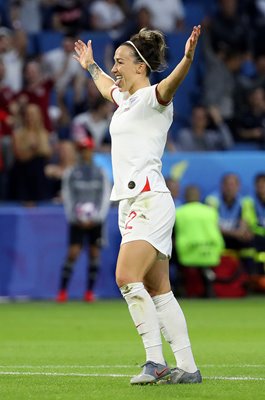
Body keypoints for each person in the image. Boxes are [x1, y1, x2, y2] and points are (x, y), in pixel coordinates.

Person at [73, 25, 202, 385]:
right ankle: (188, 367)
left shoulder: (153, 100)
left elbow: (170, 84)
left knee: (126, 277)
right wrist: (91, 66)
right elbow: (106, 89)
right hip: (130, 203)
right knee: (160, 290)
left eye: (119, 61)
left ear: (140, 67)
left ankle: (154, 361)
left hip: (148, 199)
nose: (114, 68)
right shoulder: (127, 102)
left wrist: (187, 59)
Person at [56, 136, 111, 302]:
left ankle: (89, 292)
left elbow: (105, 195)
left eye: (87, 149)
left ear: (92, 151)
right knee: (73, 253)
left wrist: (98, 217)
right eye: (82, 150)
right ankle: (62, 291)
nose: (85, 153)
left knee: (94, 253)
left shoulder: (100, 173)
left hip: (95, 220)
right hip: (77, 220)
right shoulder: (71, 172)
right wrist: (74, 217)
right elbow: (67, 195)